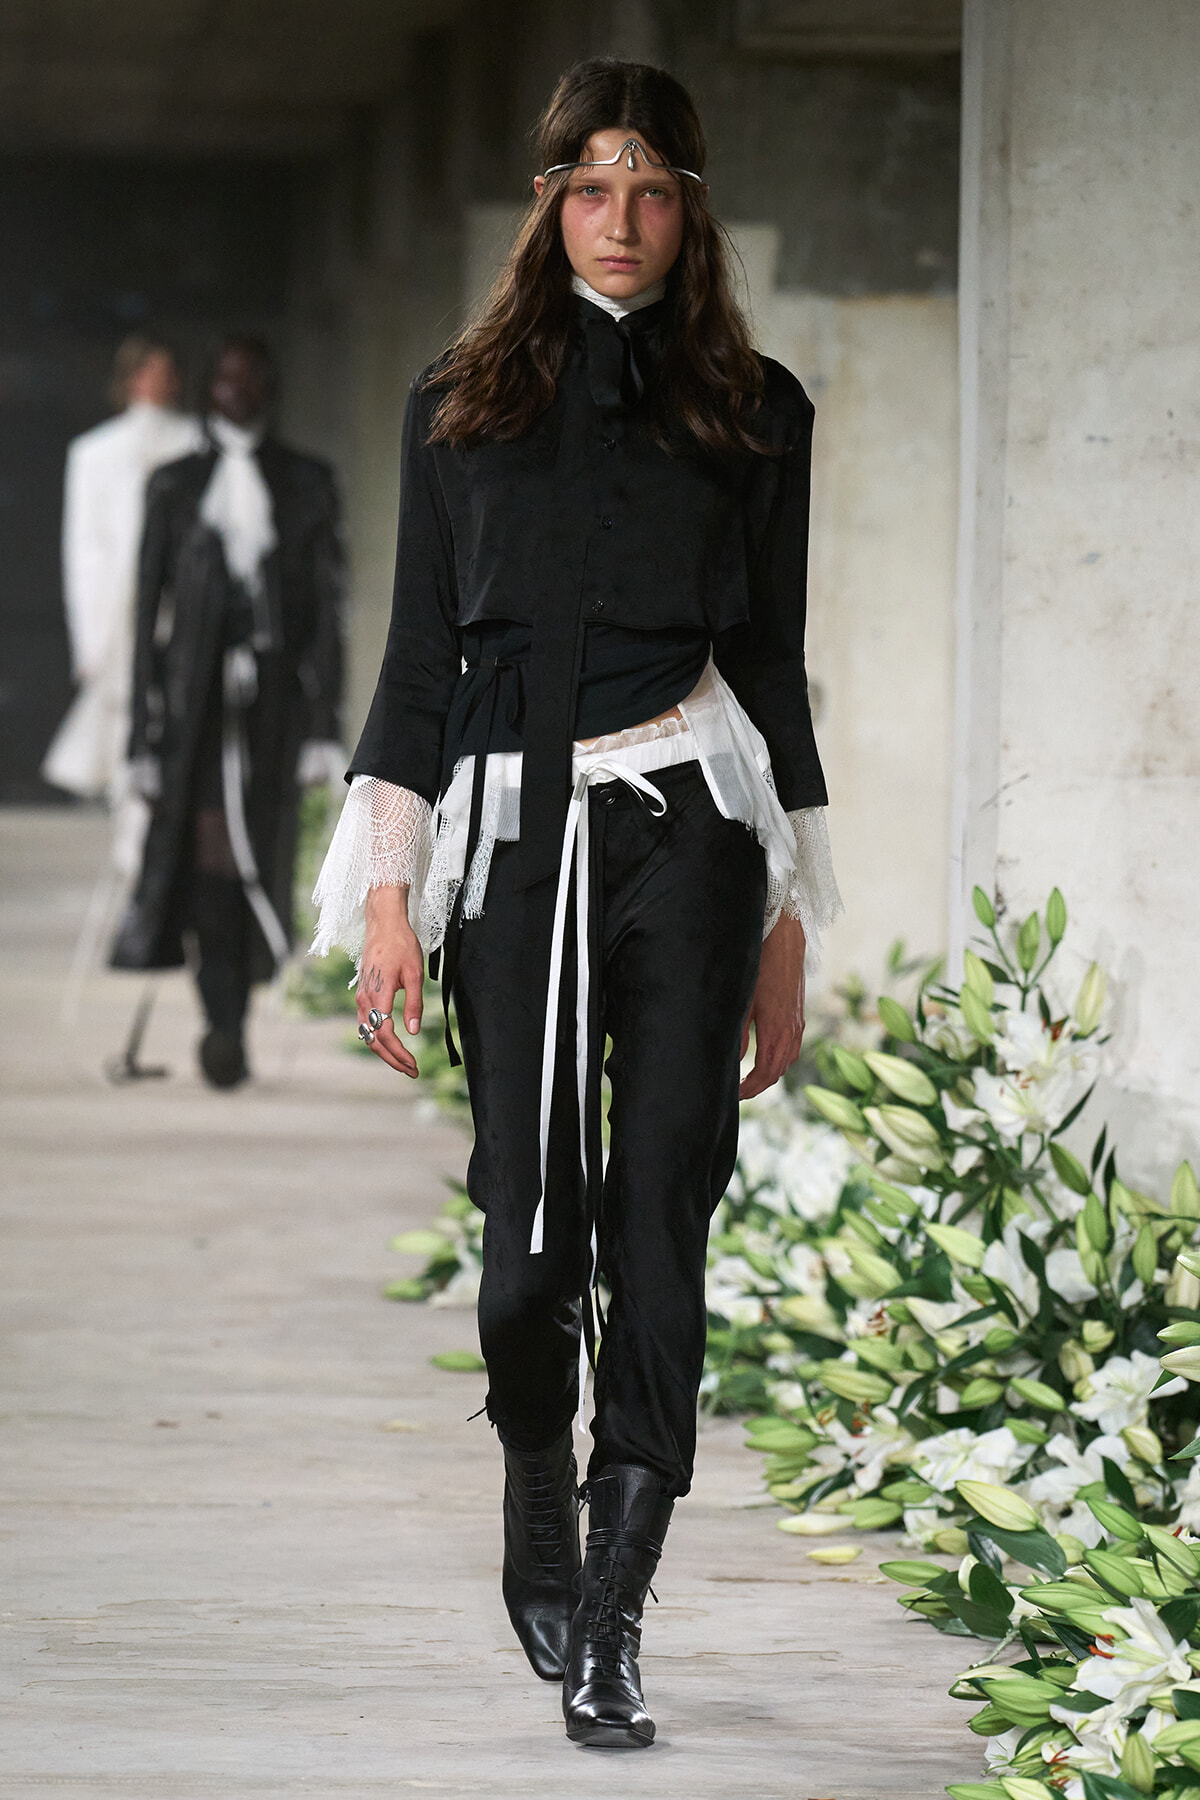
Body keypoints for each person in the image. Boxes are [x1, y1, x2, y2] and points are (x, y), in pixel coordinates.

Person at [312, 60, 841, 1748]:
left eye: (655, 185)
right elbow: (412, 672)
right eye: (591, 185)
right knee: (526, 1258)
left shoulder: (755, 411)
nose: (623, 219)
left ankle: (615, 1613)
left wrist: (787, 920)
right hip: (516, 847)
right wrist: (391, 898)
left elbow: (772, 673)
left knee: (661, 1219)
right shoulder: (459, 403)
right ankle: (537, 1475)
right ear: (549, 206)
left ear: (692, 211)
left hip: (692, 837)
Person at [111, 335, 344, 1089]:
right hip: (196, 714)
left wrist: (323, 726)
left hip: (275, 709)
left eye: (253, 378)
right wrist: (143, 734)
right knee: (211, 851)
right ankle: (223, 1019)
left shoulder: (307, 481)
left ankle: (237, 997)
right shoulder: (176, 486)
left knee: (261, 852)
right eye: (225, 379)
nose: (238, 392)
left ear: (270, 387)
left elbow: (326, 615)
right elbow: (149, 612)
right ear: (208, 388)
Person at [42, 335, 202, 873]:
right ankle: (132, 843)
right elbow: (82, 548)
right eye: (148, 370)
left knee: (176, 713)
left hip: (181, 607)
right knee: (123, 723)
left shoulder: (196, 442)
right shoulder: (94, 452)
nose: (157, 381)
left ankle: (160, 841)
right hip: (120, 613)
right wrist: (88, 637)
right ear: (131, 377)